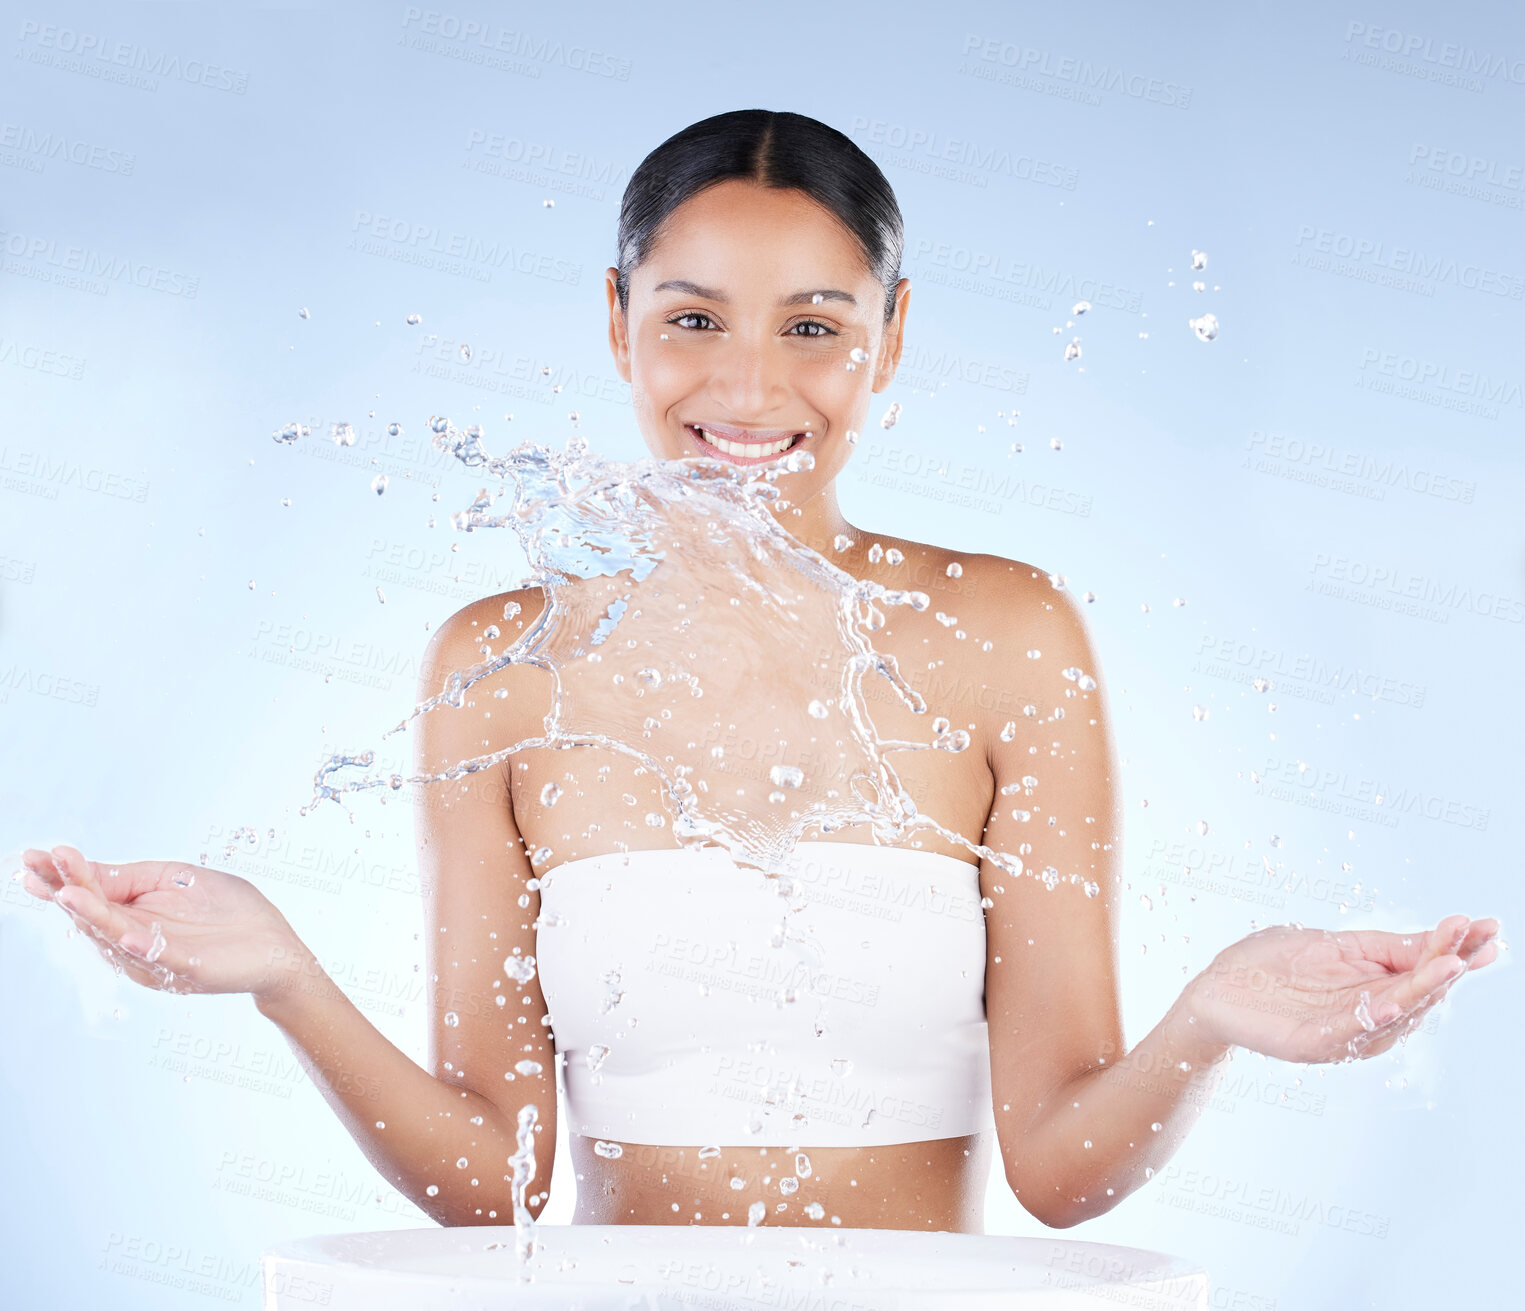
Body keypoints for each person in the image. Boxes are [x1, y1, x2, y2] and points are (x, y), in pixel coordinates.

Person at [20, 110, 1501, 1236]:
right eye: (689, 322)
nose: (745, 390)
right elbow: (500, 1178)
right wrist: (284, 977)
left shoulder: (1006, 636)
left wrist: (1211, 1019)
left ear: (891, 338)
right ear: (615, 323)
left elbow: (1056, 1167)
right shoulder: (502, 664)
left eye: (812, 328)